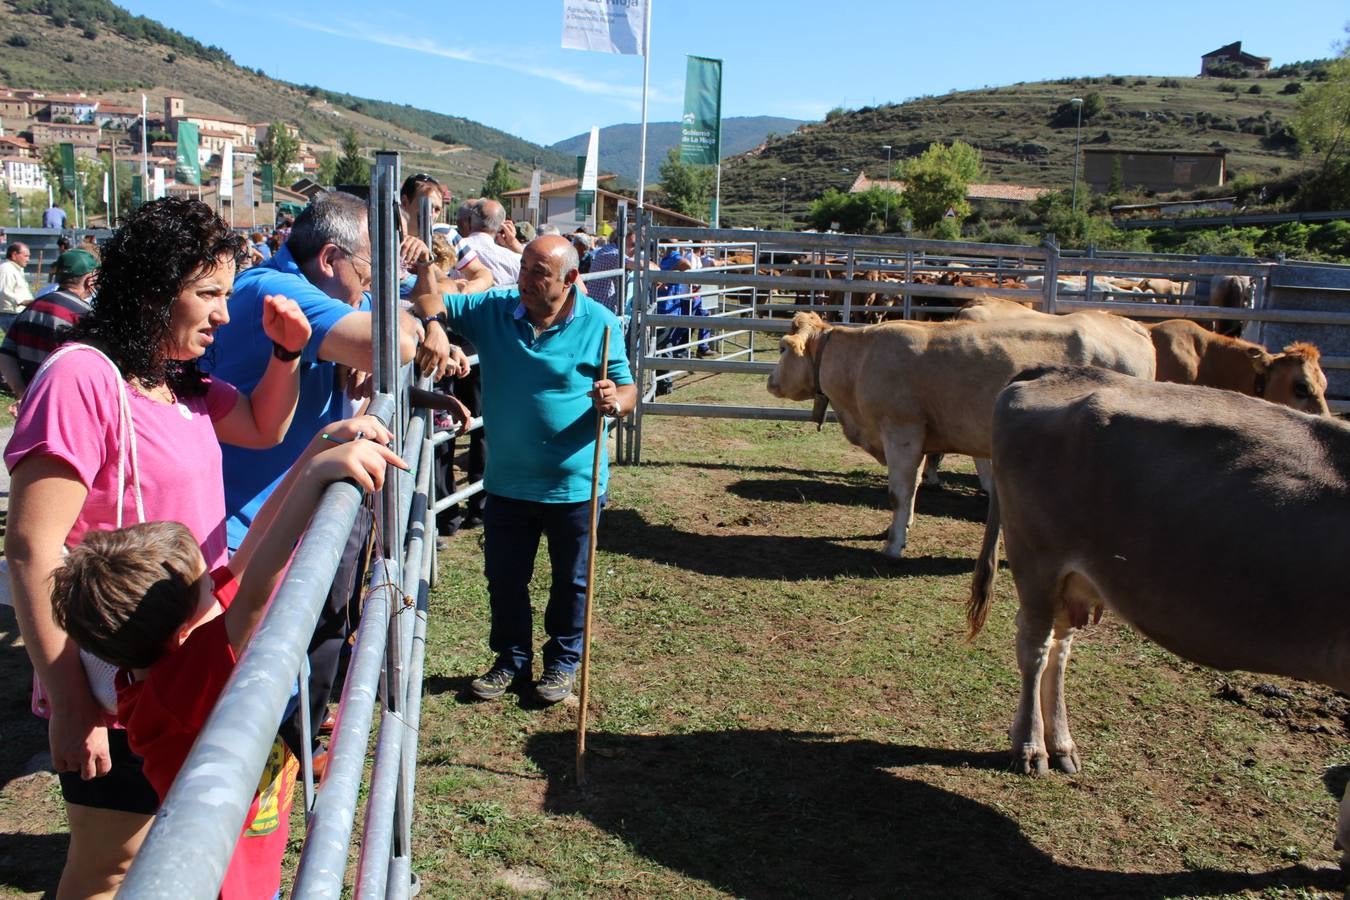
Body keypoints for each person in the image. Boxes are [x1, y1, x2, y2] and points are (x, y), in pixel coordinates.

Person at [4, 196, 310, 899]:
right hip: (115, 685)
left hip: (183, 670)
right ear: (150, 291)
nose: (224, 314)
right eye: (208, 294)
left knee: (168, 855)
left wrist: (287, 354)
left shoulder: (177, 386)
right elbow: (32, 551)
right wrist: (72, 703)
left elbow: (265, 426)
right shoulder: (83, 380)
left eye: (227, 294)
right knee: (111, 867)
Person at [50, 415, 402, 900]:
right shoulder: (178, 687)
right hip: (223, 886)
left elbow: (255, 540)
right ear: (182, 630)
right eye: (203, 583)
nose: (217, 579)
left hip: (250, 872)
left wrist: (315, 451)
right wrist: (319, 476)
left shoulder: (173, 654)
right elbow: (257, 587)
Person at [206, 190, 459, 767]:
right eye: (370, 266)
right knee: (250, 668)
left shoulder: (316, 293)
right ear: (329, 259)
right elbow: (389, 341)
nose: (372, 285)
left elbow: (385, 335)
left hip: (286, 507)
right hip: (245, 524)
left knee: (307, 632)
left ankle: (290, 749)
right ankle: (259, 770)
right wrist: (423, 322)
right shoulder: (276, 290)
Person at [412, 234, 635, 704]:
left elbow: (627, 389)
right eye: (525, 266)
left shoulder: (601, 322)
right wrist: (433, 323)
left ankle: (562, 663)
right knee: (505, 578)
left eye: (540, 272)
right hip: (509, 482)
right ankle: (511, 659)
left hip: (574, 483)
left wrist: (615, 401)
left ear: (571, 279)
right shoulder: (495, 307)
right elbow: (432, 297)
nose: (525, 280)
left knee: (572, 581)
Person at [0, 248, 98, 400]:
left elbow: (6, 354)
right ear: (89, 279)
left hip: (32, 402)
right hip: (68, 402)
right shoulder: (84, 315)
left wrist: (22, 393)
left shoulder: (32, 307)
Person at [462, 198, 522, 286]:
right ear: (502, 227)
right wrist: (513, 244)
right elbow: (534, 268)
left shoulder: (452, 248)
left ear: (469, 221)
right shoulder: (514, 260)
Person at [0, 242, 34, 330]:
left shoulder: (16, 269)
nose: (28, 259)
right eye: (26, 256)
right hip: (11, 315)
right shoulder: (7, 269)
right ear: (14, 255)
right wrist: (22, 301)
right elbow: (4, 291)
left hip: (17, 314)